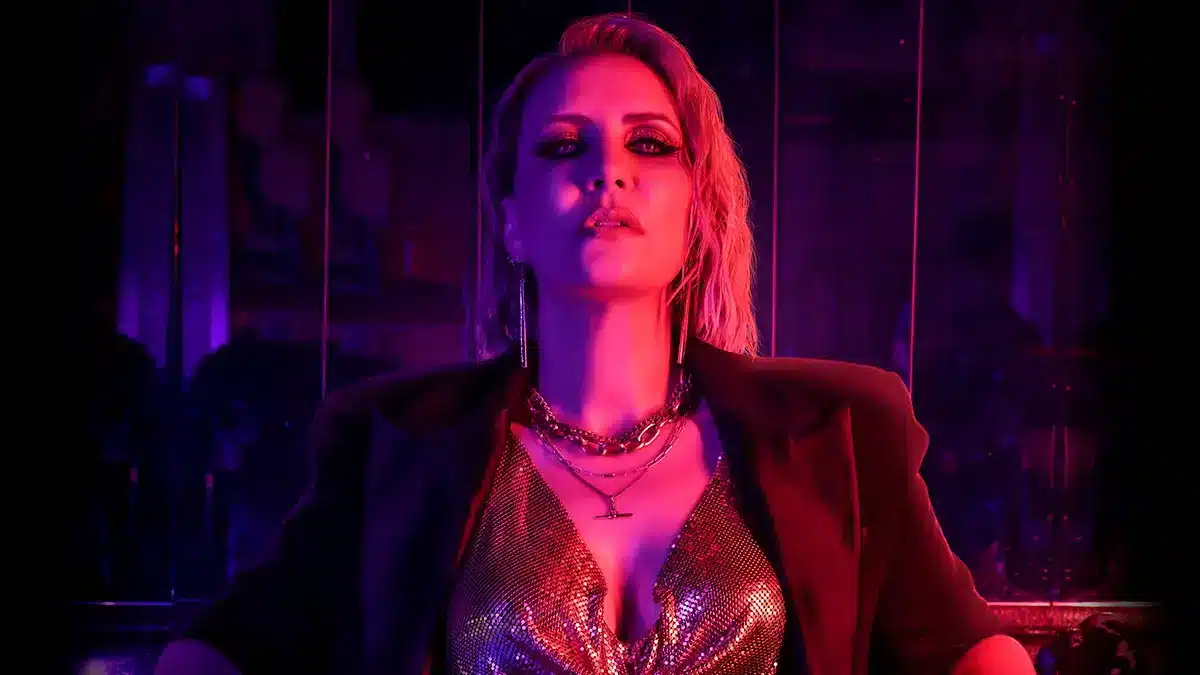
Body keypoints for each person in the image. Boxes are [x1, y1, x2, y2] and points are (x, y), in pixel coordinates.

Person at [156, 13, 1034, 675]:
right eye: (563, 145)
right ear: (511, 221)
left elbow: (974, 651)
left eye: (649, 144)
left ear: (695, 214)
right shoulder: (392, 444)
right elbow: (220, 649)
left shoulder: (840, 430)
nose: (606, 171)